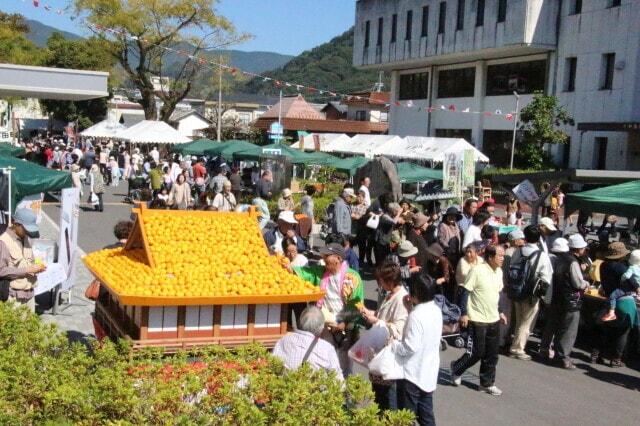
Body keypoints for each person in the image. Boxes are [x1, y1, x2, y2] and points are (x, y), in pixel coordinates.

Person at [293, 243, 364, 374]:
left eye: (327, 255)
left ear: (338, 258)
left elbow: (356, 303)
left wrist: (344, 322)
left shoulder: (353, 277)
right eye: (323, 255)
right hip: (326, 325)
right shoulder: (320, 272)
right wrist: (289, 268)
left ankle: (345, 391)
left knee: (344, 366)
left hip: (345, 326)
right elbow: (304, 273)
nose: (323, 258)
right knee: (324, 360)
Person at [450, 245, 508, 396]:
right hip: (477, 319)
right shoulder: (477, 271)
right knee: (476, 352)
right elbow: (465, 292)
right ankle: (456, 368)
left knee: (492, 354)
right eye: (500, 255)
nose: (503, 258)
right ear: (490, 257)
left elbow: (498, 294)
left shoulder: (499, 272)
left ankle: (486, 384)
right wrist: (464, 313)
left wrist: (500, 312)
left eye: (503, 255)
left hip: (493, 319)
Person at [390, 273, 441, 425]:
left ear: (415, 293)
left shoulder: (416, 315)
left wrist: (394, 344)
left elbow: (410, 347)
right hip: (428, 372)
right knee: (426, 415)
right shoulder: (435, 310)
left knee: (406, 417)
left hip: (412, 374)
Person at [358, 261, 409, 411]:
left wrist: (376, 321)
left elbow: (398, 331)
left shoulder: (401, 299)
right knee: (378, 399)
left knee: (387, 402)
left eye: (381, 280)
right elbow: (383, 316)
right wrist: (369, 313)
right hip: (379, 354)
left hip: (389, 358)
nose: (379, 283)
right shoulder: (390, 294)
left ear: (390, 281)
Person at [539, 235, 589, 369]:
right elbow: (578, 283)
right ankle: (563, 358)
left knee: (555, 325)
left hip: (557, 297)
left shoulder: (559, 259)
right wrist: (586, 284)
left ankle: (550, 351)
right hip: (570, 300)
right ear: (579, 249)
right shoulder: (573, 262)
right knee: (568, 330)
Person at [507, 225, 553, 360]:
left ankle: (514, 345)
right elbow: (546, 276)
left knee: (519, 319)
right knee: (526, 322)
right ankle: (517, 349)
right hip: (531, 293)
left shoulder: (518, 251)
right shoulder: (541, 256)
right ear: (538, 238)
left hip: (517, 289)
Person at [272, 306, 342, 378]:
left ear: (300, 322)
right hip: (315, 388)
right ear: (321, 328)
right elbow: (338, 382)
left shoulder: (283, 340)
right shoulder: (327, 349)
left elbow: (272, 367)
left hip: (287, 386)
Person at [0, 209, 46, 311]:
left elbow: (30, 259)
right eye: (25, 229)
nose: (27, 232)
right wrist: (27, 270)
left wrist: (38, 267)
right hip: (13, 297)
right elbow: (1, 270)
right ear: (15, 223)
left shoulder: (25, 238)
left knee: (31, 326)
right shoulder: (3, 242)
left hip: (29, 294)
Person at [601, 249, 640, 321]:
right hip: (623, 297)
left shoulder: (603, 264)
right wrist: (637, 288)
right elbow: (630, 279)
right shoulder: (620, 267)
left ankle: (611, 313)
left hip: (608, 293)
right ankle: (611, 313)